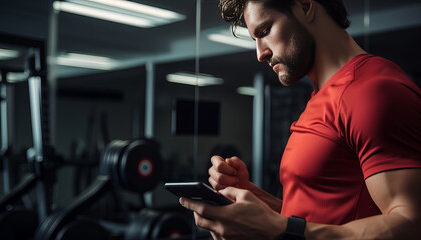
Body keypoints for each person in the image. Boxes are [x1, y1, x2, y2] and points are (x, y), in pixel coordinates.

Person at [179, 0, 421, 239]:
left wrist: (281, 230)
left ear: (305, 6)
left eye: (265, 31)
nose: (260, 54)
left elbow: (412, 225)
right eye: (255, 40)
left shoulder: (372, 91)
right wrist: (251, 199)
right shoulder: (321, 98)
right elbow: (315, 216)